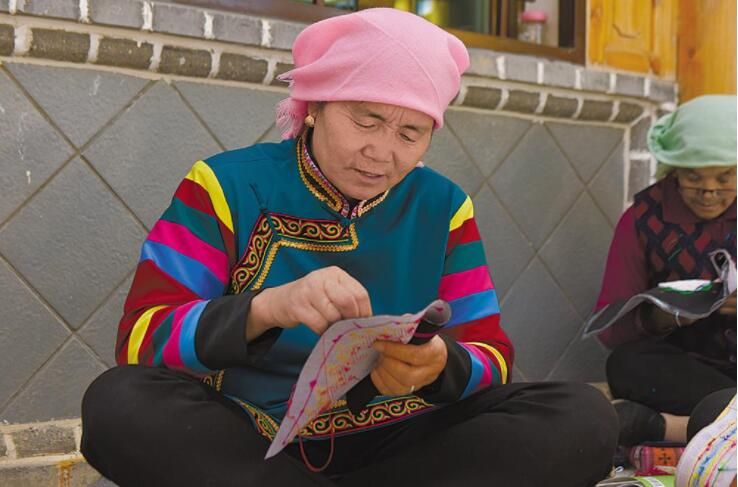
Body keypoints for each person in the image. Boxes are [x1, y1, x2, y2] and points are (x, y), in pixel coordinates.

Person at [80, 8, 617, 487]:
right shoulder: (225, 186)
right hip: (248, 440)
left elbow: (491, 356)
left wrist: (438, 364)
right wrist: (267, 309)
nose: (380, 152)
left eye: (410, 133)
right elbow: (143, 338)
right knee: (119, 404)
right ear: (315, 105)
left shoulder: (444, 207)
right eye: (365, 120)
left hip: (403, 441)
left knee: (582, 417)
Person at [594, 95, 737, 449]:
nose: (709, 193)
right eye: (693, 178)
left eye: (725, 177)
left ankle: (668, 428)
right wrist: (668, 316)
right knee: (627, 365)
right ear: (673, 170)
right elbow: (611, 330)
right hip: (695, 374)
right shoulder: (642, 219)